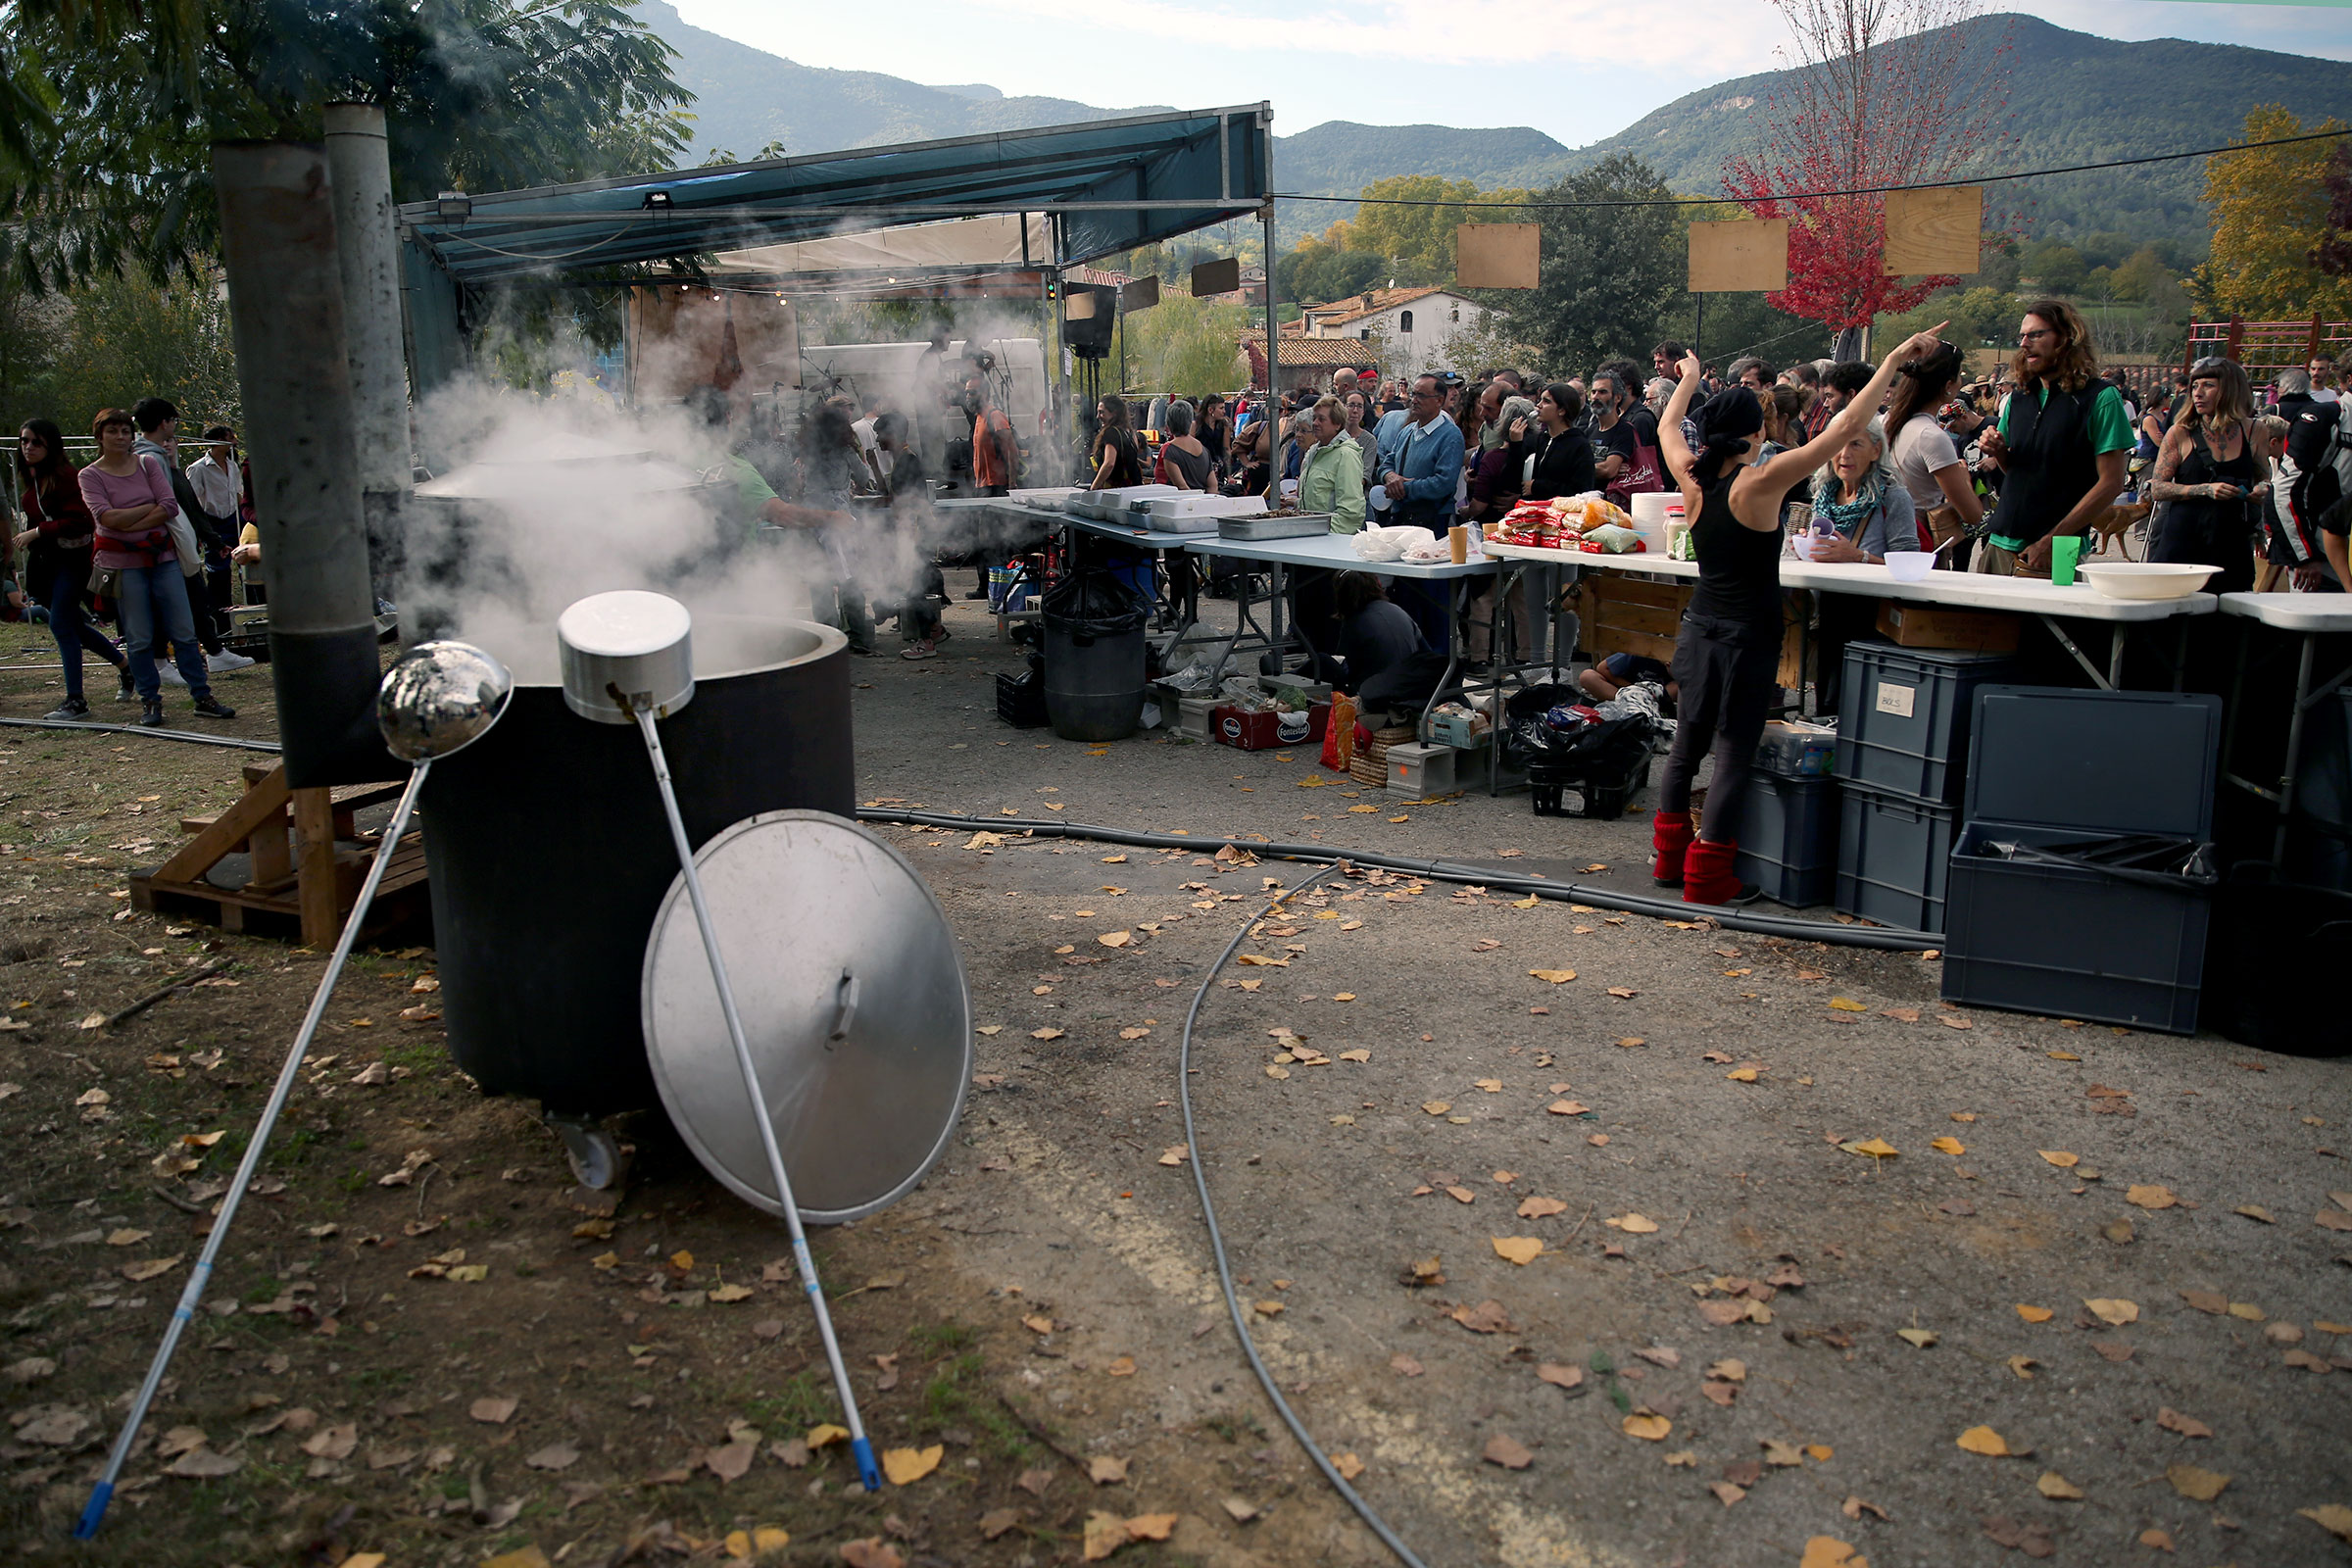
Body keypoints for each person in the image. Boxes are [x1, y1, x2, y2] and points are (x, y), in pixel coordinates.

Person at [1651, 326, 1945, 906]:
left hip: (1699, 627)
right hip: (1746, 634)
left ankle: (1669, 863)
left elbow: (1665, 425)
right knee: (1734, 748)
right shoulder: (1758, 483)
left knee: (1686, 745)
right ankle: (1707, 878)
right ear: (1755, 432)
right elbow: (1840, 429)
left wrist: (1685, 382)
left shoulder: (1693, 477)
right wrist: (1888, 361)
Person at [76, 408, 234, 726]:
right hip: (125, 565)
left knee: (184, 632)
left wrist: (129, 518)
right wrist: (147, 511)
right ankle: (150, 700)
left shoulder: (148, 463)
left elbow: (169, 506)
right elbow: (105, 518)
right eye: (113, 432)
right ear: (100, 437)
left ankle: (202, 696)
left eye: (125, 431)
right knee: (139, 636)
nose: (121, 437)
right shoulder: (90, 475)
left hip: (163, 559)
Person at [1972, 300, 2132, 577]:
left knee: (2052, 622)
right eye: (2022, 335)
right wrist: (1999, 452)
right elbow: (2018, 471)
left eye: (2036, 334)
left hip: (2062, 547)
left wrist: (2052, 539)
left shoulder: (2101, 397)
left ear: (2067, 337)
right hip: (2000, 540)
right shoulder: (2019, 397)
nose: (2024, 343)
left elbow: (2112, 483)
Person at [15, 419, 131, 716]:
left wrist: (38, 531)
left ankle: (76, 700)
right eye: (24, 441)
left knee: (61, 625)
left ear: (50, 445)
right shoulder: (32, 476)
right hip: (47, 562)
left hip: (74, 560)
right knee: (73, 625)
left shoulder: (66, 476)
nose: (28, 447)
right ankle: (126, 667)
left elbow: (82, 520)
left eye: (36, 442)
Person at [132, 397, 250, 676]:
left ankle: (212, 652)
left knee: (194, 598)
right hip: (164, 543)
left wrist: (213, 540)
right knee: (174, 602)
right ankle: (163, 661)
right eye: (173, 421)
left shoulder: (158, 457)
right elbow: (172, 505)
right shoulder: (150, 458)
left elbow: (186, 504)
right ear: (165, 422)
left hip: (177, 540)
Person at [2147, 356, 2264, 595]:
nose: (2198, 393)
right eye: (2195, 386)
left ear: (2230, 390)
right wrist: (2205, 489)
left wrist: (2262, 490)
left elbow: (2264, 477)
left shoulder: (2254, 430)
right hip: (2183, 540)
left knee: (2229, 617)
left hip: (2231, 542)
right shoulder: (2180, 432)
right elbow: (2157, 488)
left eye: (2208, 385)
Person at [1884, 341, 1983, 566]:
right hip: (1921, 542)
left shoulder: (1886, 422)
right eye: (1959, 375)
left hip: (1886, 538)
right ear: (1948, 385)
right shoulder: (1932, 436)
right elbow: (1973, 514)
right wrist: (1964, 478)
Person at [874, 413, 951, 660]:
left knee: (913, 587)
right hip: (912, 529)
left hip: (914, 530)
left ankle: (926, 642)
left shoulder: (907, 461)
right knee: (914, 585)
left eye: (880, 434)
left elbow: (912, 501)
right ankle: (935, 630)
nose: (877, 440)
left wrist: (909, 535)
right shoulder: (902, 459)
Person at [1378, 373, 1466, 534]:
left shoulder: (1450, 436)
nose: (1415, 400)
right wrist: (1389, 476)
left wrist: (1404, 488)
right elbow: (1386, 464)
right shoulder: (1407, 432)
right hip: (1401, 517)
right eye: (1414, 394)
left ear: (1439, 401)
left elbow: (1444, 483)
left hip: (1433, 522)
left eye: (1421, 396)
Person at [184, 424, 245, 657]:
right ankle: (219, 622)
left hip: (233, 521)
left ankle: (238, 619)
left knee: (242, 568)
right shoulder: (198, 469)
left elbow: (237, 495)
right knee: (218, 574)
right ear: (219, 441)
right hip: (212, 523)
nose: (234, 442)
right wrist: (202, 531)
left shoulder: (232, 465)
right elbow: (193, 502)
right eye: (230, 438)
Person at [1332, 570, 1425, 696]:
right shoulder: (1397, 610)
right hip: (1412, 683)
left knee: (1324, 662)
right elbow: (1424, 648)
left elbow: (1350, 666)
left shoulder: (1355, 621)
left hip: (1380, 692)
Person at [1295, 397, 1365, 534]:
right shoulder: (1314, 452)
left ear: (1337, 424)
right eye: (1314, 418)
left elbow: (1351, 513)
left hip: (1329, 541)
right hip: (1310, 537)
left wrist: (1323, 535)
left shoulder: (1346, 455)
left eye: (1321, 419)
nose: (1315, 423)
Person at [1521, 383, 1598, 502]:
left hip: (1563, 515)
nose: (1538, 405)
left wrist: (1538, 487)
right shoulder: (1542, 438)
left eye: (1546, 401)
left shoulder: (1579, 445)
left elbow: (1582, 491)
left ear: (1562, 410)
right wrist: (1515, 443)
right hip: (1538, 512)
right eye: (1540, 400)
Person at [969, 370, 1019, 496]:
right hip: (982, 486)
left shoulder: (995, 416)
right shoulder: (979, 417)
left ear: (984, 393)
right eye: (966, 393)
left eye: (972, 392)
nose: (968, 396)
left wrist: (1012, 484)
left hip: (996, 487)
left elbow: (1012, 451)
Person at [1088, 396, 1143, 491]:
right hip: (1133, 488)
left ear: (1114, 413)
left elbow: (1109, 464)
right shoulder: (1129, 432)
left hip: (1116, 491)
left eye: (1101, 412)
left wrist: (1093, 487)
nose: (1098, 416)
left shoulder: (1111, 433)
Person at [1159, 401, 1213, 491]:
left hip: (1177, 501)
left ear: (1169, 422)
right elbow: (1213, 485)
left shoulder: (1169, 449)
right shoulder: (1203, 449)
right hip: (1202, 500)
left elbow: (1182, 486)